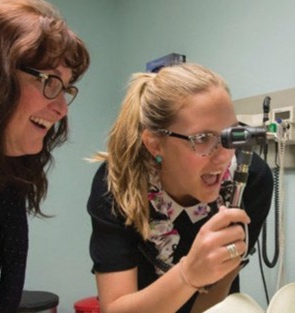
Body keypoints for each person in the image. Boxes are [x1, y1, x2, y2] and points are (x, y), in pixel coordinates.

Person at [87, 62, 273, 313]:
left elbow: (219, 286)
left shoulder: (251, 179)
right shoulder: (118, 183)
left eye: (229, 134)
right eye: (203, 139)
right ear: (155, 144)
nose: (224, 156)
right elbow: (116, 307)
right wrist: (189, 275)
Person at [0, 0, 90, 311]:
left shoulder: (8, 174)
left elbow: (13, 266)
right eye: (49, 80)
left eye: (65, 88)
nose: (62, 109)